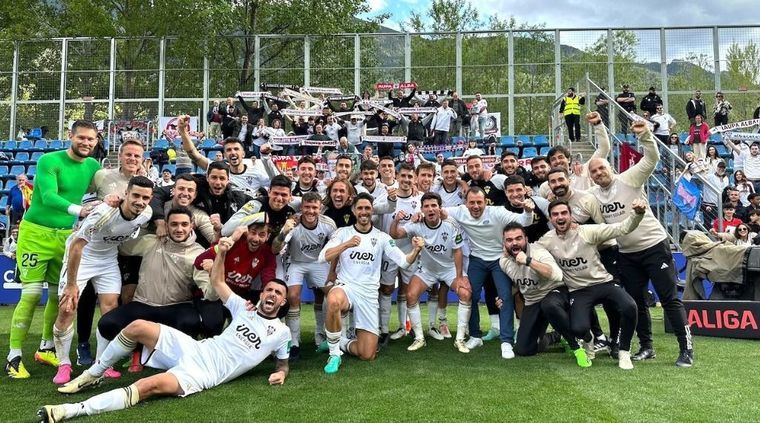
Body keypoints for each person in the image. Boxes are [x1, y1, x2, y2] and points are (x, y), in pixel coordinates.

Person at [40, 237, 290, 422]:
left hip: (205, 373)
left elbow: (283, 363)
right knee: (137, 326)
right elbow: (217, 281)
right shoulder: (242, 307)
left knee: (147, 386)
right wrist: (222, 253)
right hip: (195, 348)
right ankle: (92, 375)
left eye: (278, 293)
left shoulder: (281, 332)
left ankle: (72, 410)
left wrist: (281, 373)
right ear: (262, 293)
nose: (272, 294)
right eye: (269, 289)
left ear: (283, 303)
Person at [588, 120, 694, 367]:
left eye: (601, 168)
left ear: (610, 167)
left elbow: (651, 158)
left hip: (654, 247)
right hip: (626, 253)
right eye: (593, 171)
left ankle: (686, 348)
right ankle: (646, 347)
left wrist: (645, 135)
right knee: (637, 302)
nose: (598, 173)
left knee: (669, 300)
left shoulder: (628, 178)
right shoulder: (593, 195)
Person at [6, 120, 102, 380]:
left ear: (96, 142)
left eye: (91, 139)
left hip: (65, 237)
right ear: (70, 136)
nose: (86, 143)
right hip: (36, 233)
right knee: (31, 294)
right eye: (81, 137)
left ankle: (46, 347)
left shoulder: (94, 166)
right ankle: (14, 356)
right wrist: (79, 210)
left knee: (55, 295)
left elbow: (105, 189)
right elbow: (48, 197)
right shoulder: (49, 160)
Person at [51, 176, 154, 385]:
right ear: (126, 194)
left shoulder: (146, 214)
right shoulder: (103, 213)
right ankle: (64, 364)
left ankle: (101, 364)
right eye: (135, 195)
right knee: (67, 308)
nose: (140, 202)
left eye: (145, 197)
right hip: (83, 256)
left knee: (111, 311)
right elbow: (76, 247)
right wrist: (71, 284)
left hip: (107, 260)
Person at [318, 192, 424, 374]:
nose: (364, 212)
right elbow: (322, 257)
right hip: (347, 287)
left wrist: (415, 250)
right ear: (353, 210)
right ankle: (334, 354)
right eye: (360, 208)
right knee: (333, 299)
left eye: (367, 208)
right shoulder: (343, 233)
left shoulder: (382, 237)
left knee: (367, 354)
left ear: (372, 210)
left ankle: (338, 341)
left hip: (368, 294)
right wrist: (346, 245)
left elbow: (404, 261)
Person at [95, 206, 209, 368]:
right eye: (174, 224)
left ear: (192, 225)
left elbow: (207, 288)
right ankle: (137, 350)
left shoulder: (199, 253)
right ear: (166, 225)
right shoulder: (151, 241)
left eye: (184, 224)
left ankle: (162, 354)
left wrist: (213, 274)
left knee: (190, 324)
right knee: (107, 324)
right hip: (144, 304)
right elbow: (121, 246)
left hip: (177, 306)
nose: (179, 229)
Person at [538, 199, 644, 370]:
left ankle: (624, 352)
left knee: (630, 307)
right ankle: (589, 339)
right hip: (579, 290)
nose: (560, 217)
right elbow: (531, 249)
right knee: (579, 329)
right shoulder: (547, 240)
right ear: (550, 219)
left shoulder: (587, 232)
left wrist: (637, 214)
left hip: (604, 283)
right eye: (555, 214)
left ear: (571, 216)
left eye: (564, 213)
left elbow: (622, 228)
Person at [442, 187, 533, 358]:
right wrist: (420, 215)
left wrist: (527, 211)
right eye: (472, 202)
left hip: (500, 259)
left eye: (479, 202)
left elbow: (524, 221)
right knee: (469, 295)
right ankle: (475, 336)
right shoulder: (459, 212)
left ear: (486, 202)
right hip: (477, 259)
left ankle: (506, 341)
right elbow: (437, 210)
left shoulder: (497, 212)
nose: (475, 206)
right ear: (465, 203)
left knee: (505, 297)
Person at [389, 192, 472, 353]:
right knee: (411, 295)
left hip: (449, 269)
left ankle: (460, 339)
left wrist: (460, 277)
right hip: (426, 270)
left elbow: (458, 252)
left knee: (465, 293)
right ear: (422, 209)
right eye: (426, 206)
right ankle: (419, 338)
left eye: (434, 205)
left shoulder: (451, 225)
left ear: (440, 208)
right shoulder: (417, 225)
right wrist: (396, 220)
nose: (430, 209)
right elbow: (395, 234)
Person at [499, 222, 590, 367]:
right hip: (532, 301)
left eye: (518, 238)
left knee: (549, 305)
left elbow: (557, 275)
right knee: (524, 349)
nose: (514, 243)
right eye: (509, 240)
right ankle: (556, 336)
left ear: (526, 239)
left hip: (556, 293)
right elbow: (520, 284)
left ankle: (576, 347)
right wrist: (504, 297)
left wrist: (528, 261)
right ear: (504, 243)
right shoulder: (504, 262)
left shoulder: (538, 252)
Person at [273, 192, 337, 360]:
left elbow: (336, 248)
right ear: (301, 207)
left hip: (318, 262)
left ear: (320, 208)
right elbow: (275, 248)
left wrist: (332, 270)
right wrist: (283, 233)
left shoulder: (328, 224)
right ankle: (294, 342)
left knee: (333, 295)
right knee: (293, 296)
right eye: (307, 207)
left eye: (314, 207)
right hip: (295, 262)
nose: (310, 211)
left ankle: (321, 334)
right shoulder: (293, 223)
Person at [178, 114, 279, 197]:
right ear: (225, 155)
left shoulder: (256, 173)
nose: (233, 152)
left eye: (236, 149)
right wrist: (183, 131)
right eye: (229, 150)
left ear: (243, 153)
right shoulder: (217, 170)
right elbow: (193, 154)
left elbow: (277, 182)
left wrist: (265, 156)